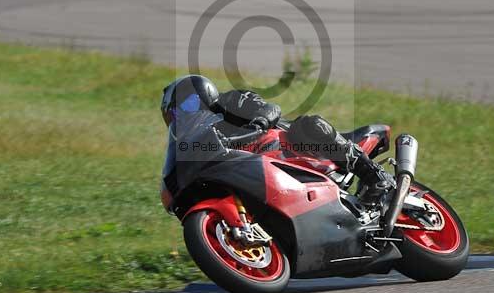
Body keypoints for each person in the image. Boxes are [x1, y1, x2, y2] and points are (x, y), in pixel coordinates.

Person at [161, 75, 395, 207]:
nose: (180, 116)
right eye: (173, 116)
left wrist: (259, 122)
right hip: (262, 175)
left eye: (186, 105)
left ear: (202, 93)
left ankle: (375, 176)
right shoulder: (204, 138)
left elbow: (269, 108)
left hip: (294, 147)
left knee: (308, 124)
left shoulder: (231, 101)